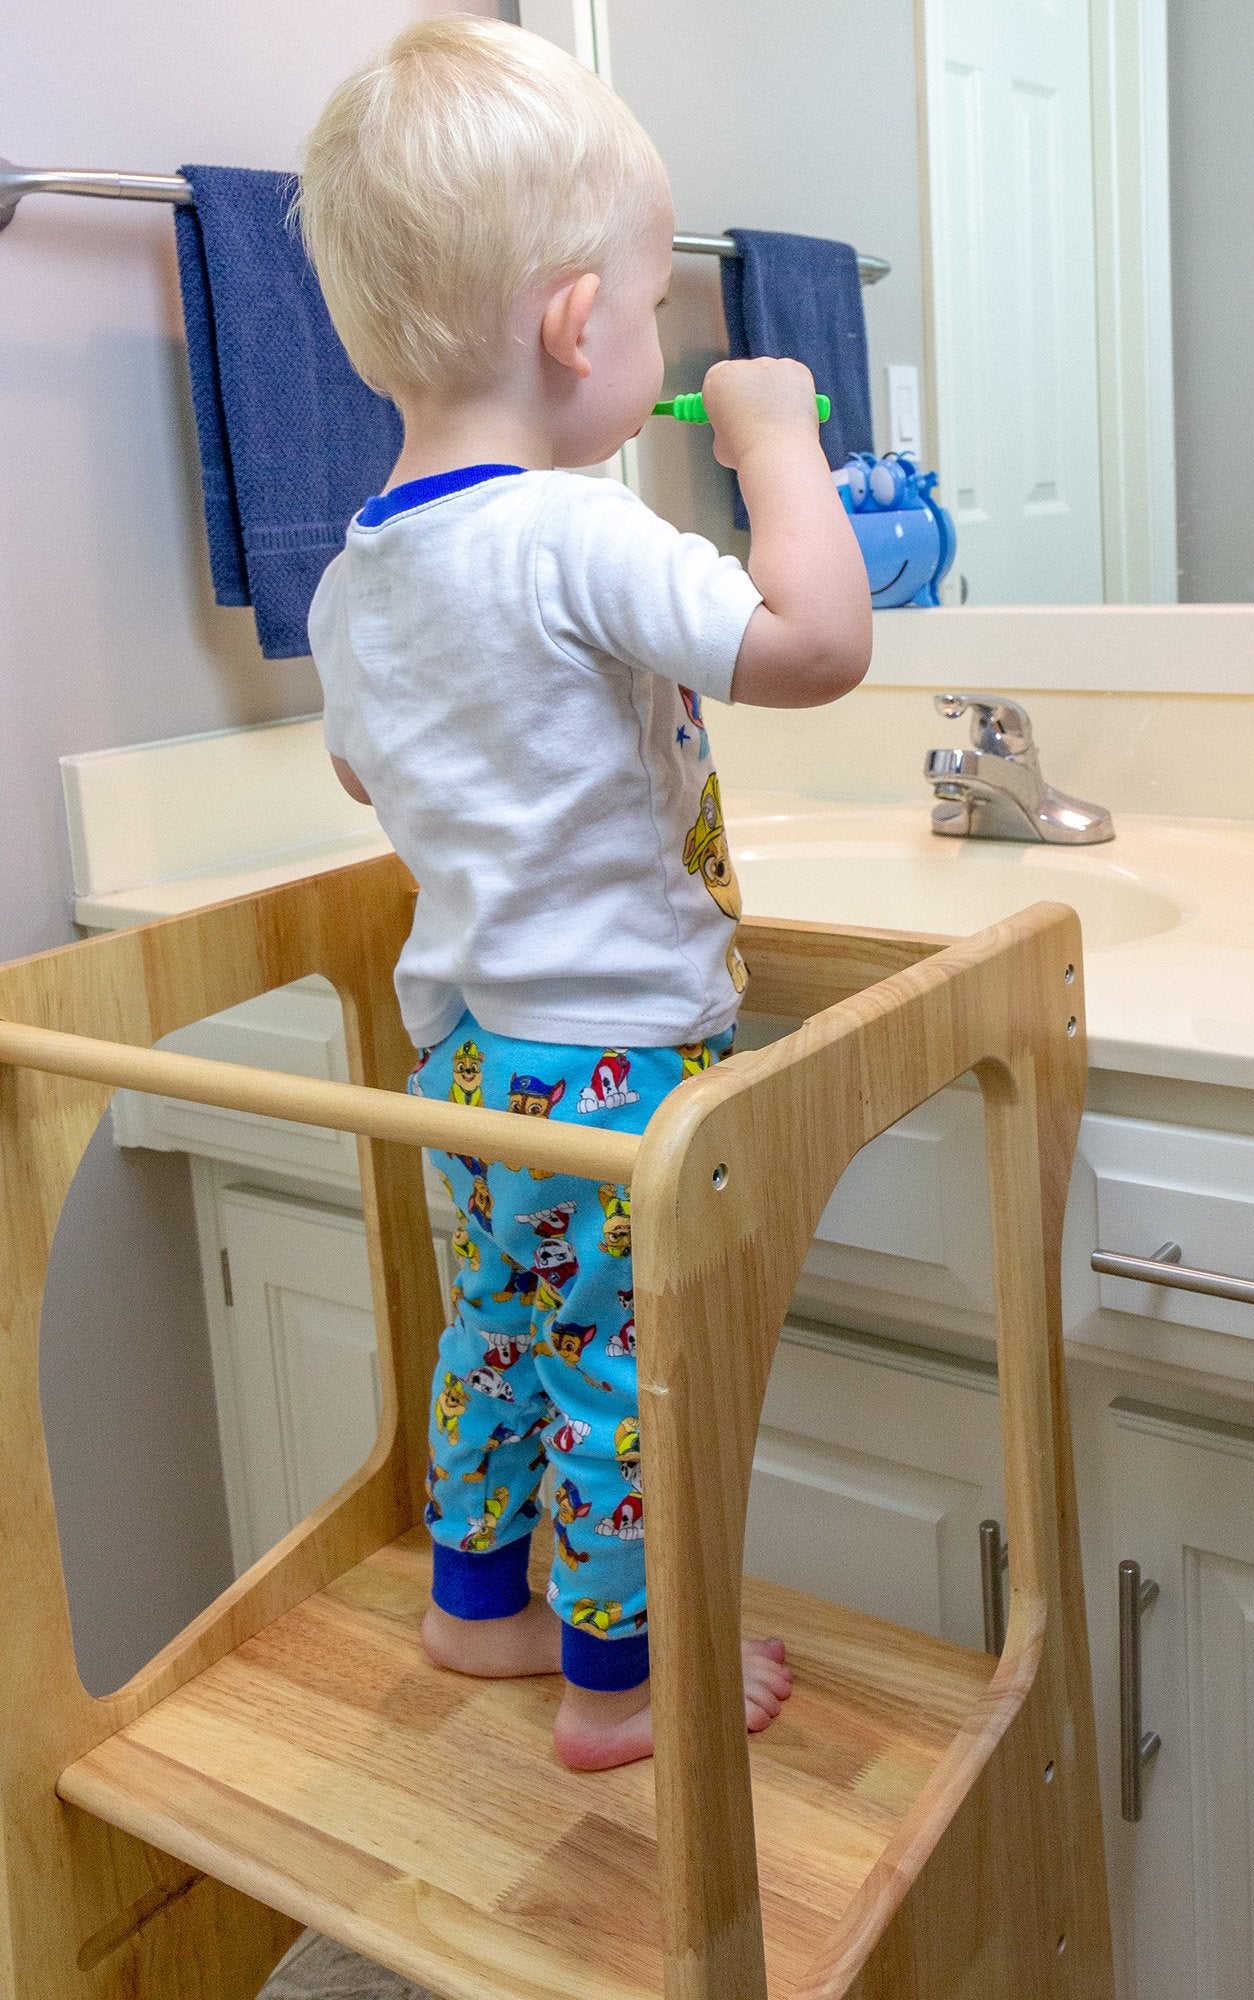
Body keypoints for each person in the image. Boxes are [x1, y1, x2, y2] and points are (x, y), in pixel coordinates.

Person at [296, 17, 871, 1770]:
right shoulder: (574, 524)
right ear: (572, 325)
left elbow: (363, 774)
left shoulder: (362, 567)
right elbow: (818, 644)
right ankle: (621, 1692)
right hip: (611, 1058)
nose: (659, 346)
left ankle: (484, 1608)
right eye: (648, 310)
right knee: (625, 1381)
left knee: (500, 1334)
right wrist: (775, 441)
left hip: (466, 1054)